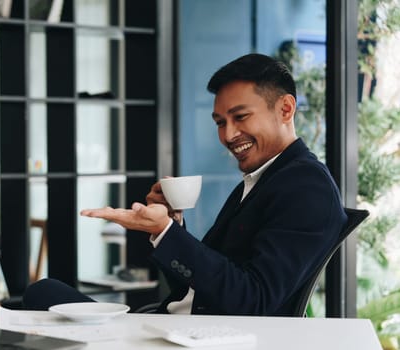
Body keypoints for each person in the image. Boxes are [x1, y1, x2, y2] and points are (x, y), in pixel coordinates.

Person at [23, 53, 347, 316]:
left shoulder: (306, 188)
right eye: (220, 122)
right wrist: (169, 226)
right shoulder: (261, 180)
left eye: (241, 117)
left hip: (201, 339)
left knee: (40, 301)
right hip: (171, 326)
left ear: (286, 109)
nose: (228, 135)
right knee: (41, 293)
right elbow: (191, 289)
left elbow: (253, 300)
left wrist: (167, 233)